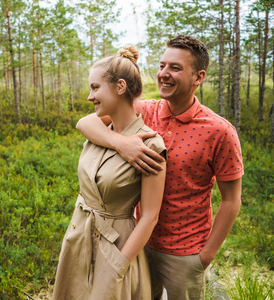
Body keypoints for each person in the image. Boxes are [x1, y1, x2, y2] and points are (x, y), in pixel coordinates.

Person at [76, 34, 244, 300]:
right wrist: (121, 143)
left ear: (198, 77)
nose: (164, 74)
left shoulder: (220, 131)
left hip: (185, 254)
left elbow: (232, 200)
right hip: (139, 243)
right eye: (162, 66)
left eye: (175, 68)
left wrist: (205, 256)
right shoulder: (146, 111)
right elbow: (86, 122)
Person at [52, 46, 167, 300]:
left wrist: (118, 266)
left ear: (120, 87)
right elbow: (83, 123)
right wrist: (120, 143)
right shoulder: (97, 135)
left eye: (95, 88)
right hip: (78, 237)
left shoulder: (151, 146)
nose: (89, 97)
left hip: (117, 248)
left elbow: (150, 217)